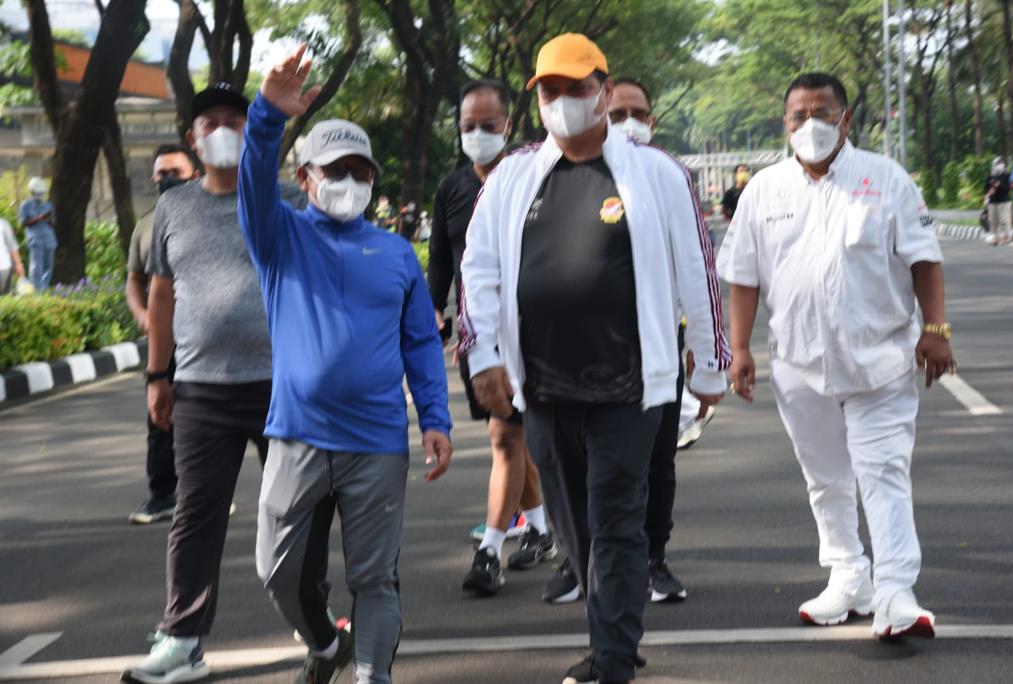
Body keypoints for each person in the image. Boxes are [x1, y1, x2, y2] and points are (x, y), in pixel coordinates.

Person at [460, 34, 728, 683]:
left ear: (604, 92)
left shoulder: (656, 172)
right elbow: (479, 270)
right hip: (544, 389)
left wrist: (709, 363)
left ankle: (612, 659)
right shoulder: (514, 178)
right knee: (574, 531)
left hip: (630, 390)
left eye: (577, 89)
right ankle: (609, 632)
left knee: (615, 520)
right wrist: (483, 356)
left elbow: (699, 269)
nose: (563, 102)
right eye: (549, 91)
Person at [239, 46, 453, 684]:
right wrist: (266, 117)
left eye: (360, 172)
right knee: (274, 571)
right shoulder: (278, 238)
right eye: (335, 170)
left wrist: (436, 418)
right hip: (298, 435)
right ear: (304, 177)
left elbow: (420, 344)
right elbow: (252, 182)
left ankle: (371, 676)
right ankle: (324, 643)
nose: (349, 182)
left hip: (377, 443)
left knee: (374, 579)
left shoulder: (395, 254)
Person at [718, 72, 953, 640]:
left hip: (881, 362)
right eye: (798, 115)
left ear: (846, 119)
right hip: (799, 366)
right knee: (824, 478)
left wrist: (936, 329)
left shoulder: (886, 179)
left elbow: (924, 258)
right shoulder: (763, 191)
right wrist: (741, 347)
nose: (810, 125)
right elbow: (743, 276)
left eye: (822, 113)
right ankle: (849, 576)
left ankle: (897, 591)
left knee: (883, 473)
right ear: (785, 124)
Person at [122, 83, 283, 684]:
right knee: (196, 512)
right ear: (192, 138)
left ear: (254, 132)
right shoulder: (173, 208)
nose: (221, 130)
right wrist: (157, 376)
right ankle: (183, 639)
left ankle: (317, 623)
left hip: (282, 385)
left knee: (299, 509)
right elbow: (160, 295)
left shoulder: (283, 198)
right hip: (200, 390)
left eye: (234, 121)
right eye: (210, 122)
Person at [428, 79, 555, 597]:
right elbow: (441, 258)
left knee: (506, 438)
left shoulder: (535, 178)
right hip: (477, 334)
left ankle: (490, 551)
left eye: (488, 124)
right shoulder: (452, 188)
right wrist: (433, 311)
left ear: (509, 123)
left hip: (531, 333)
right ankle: (543, 530)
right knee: (510, 437)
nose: (478, 133)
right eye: (468, 126)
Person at [124, 144, 200, 525]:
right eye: (162, 173)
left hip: (206, 339)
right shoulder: (146, 225)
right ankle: (161, 495)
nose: (168, 179)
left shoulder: (214, 216)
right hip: (164, 339)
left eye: (176, 172)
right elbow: (135, 282)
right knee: (161, 415)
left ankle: (203, 495)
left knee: (207, 418)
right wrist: (141, 313)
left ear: (195, 176)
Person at [19, 177, 57, 292]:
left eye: (42, 193)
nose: (40, 195)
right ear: (32, 192)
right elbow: (23, 223)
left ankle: (44, 290)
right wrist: (39, 218)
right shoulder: (25, 205)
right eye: (38, 193)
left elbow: (53, 223)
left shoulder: (48, 205)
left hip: (49, 239)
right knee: (36, 267)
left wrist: (50, 220)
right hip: (35, 239)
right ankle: (36, 291)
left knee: (48, 267)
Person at [984, 156, 1013, 246]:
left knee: (1004, 220)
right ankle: (994, 238)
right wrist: (986, 196)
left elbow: (1008, 188)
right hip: (992, 202)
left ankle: (1006, 236)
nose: (1001, 165)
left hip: (1004, 201)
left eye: (1002, 162)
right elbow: (986, 189)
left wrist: (997, 186)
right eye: (998, 163)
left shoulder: (1006, 175)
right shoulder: (991, 176)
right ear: (994, 165)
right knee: (993, 221)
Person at [0, 217, 25, 296]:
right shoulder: (3, 223)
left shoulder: (3, 223)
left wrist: (18, 264)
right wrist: (18, 264)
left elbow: (12, 246)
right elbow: (12, 246)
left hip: (3, 267)